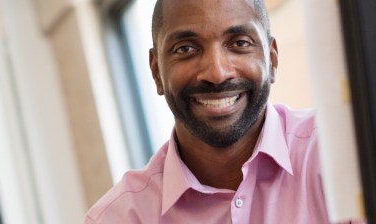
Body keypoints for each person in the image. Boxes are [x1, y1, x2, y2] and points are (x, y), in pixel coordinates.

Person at [85, 0, 339, 223]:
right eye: (186, 49)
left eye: (240, 43)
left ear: (271, 60)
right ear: (156, 72)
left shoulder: (338, 151)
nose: (217, 73)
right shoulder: (118, 218)